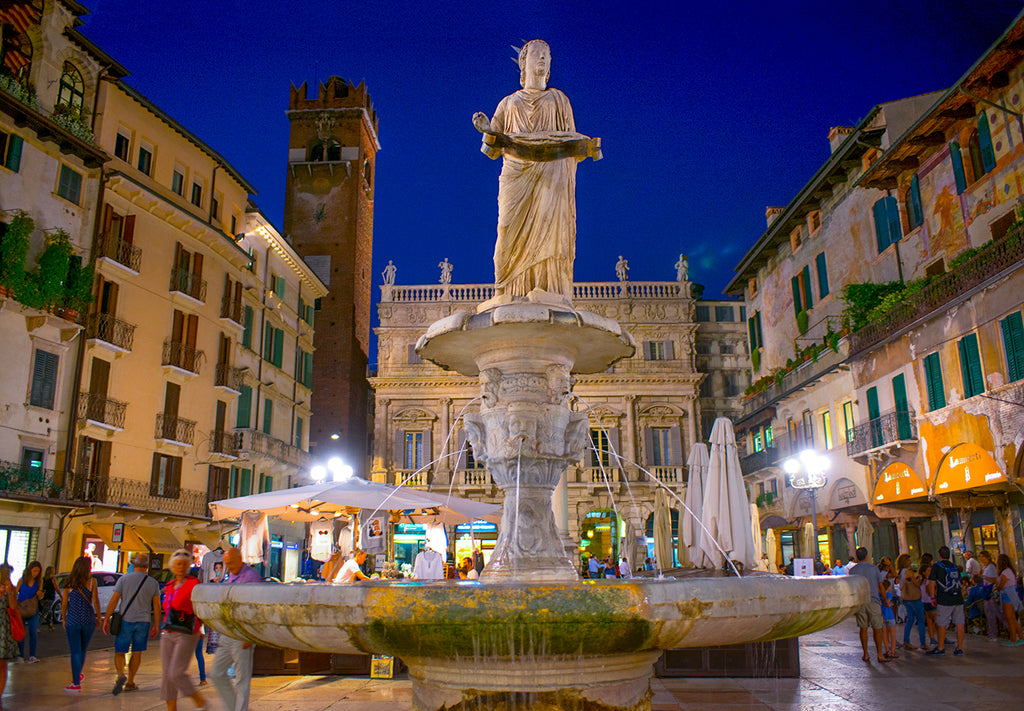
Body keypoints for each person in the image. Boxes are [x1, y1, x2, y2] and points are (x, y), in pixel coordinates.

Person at [472, 39, 599, 299]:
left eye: (547, 55)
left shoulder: (559, 100)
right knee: (506, 235)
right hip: (516, 176)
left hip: (552, 178)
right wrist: (486, 130)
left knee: (551, 235)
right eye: (537, 54)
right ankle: (508, 292)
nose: (542, 59)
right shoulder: (508, 104)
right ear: (524, 62)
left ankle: (550, 290)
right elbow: (492, 149)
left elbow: (572, 145)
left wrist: (585, 148)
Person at [211, 548, 261, 711]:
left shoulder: (251, 577)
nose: (229, 566)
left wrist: (249, 635)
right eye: (227, 563)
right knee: (217, 673)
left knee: (242, 678)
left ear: (240, 559)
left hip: (242, 633)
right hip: (229, 631)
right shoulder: (233, 574)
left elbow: (255, 608)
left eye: (231, 562)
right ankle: (234, 707)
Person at [104, 551, 161, 695]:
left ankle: (120, 674)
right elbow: (157, 605)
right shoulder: (153, 583)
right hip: (144, 621)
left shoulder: (124, 580)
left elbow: (114, 600)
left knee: (120, 650)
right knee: (137, 651)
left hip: (125, 620)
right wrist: (156, 624)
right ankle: (130, 681)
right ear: (147, 566)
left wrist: (106, 618)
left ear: (134, 564)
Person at [160, 549, 205, 711]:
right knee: (167, 677)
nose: (181, 567)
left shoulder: (194, 584)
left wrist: (200, 626)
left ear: (188, 567)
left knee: (176, 673)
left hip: (187, 631)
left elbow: (200, 607)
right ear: (173, 566)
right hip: (168, 631)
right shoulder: (169, 586)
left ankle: (200, 702)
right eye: (178, 564)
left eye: (184, 565)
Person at [61, 556, 102, 691]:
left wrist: (64, 618)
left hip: (73, 619)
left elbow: (65, 603)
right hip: (88, 619)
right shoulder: (92, 582)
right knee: (83, 649)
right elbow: (95, 600)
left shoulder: (68, 583)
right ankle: (77, 676)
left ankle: (76, 682)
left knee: (75, 652)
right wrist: (98, 617)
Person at [848, 546, 889, 663]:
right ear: (866, 556)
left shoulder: (852, 571)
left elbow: (851, 588)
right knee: (877, 628)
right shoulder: (873, 568)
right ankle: (879, 654)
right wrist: (885, 599)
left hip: (860, 602)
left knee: (863, 628)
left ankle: (865, 653)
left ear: (857, 557)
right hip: (873, 600)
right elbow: (880, 585)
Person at [926, 545, 965, 656]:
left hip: (944, 599)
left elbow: (932, 582)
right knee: (959, 623)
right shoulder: (954, 566)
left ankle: (941, 647)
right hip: (958, 598)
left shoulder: (936, 566)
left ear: (939, 555)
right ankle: (960, 647)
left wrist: (933, 597)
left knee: (941, 623)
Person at [15, 560, 42, 663]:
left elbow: (40, 597)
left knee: (33, 632)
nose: (36, 573)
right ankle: (20, 655)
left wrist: (40, 594)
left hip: (33, 609)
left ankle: (32, 655)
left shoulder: (39, 582)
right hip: (21, 609)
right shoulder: (21, 581)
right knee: (21, 633)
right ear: (29, 570)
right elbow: (15, 592)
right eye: (34, 571)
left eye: (38, 571)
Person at [0, 563, 20, 710]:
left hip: (4, 629)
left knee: (2, 665)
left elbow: (13, 607)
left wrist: (10, 591)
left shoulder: (10, 590)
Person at [897, 554, 926, 650]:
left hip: (906, 598)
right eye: (909, 560)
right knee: (920, 619)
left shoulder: (900, 572)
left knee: (910, 619)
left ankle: (906, 640)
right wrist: (920, 579)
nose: (910, 562)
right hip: (914, 598)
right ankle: (923, 642)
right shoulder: (908, 572)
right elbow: (916, 584)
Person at [995, 554, 1024, 646]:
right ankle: (1021, 637)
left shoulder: (1005, 573)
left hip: (1007, 596)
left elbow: (1001, 585)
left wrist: (997, 587)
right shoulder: (1010, 571)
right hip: (1012, 595)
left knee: (1009, 618)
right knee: (1013, 619)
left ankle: (1013, 639)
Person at [978, 550, 1005, 640]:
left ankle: (1009, 630)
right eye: (980, 557)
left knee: (997, 613)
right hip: (986, 592)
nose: (981, 559)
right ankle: (992, 632)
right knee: (989, 614)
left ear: (988, 557)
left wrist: (983, 577)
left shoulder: (991, 567)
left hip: (991, 592)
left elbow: (994, 580)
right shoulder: (985, 568)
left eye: (983, 557)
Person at [880, 579, 898, 659]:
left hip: (882, 616)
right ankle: (893, 652)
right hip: (890, 616)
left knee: (884, 635)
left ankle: (887, 650)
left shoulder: (879, 595)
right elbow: (888, 604)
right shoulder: (889, 594)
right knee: (892, 635)